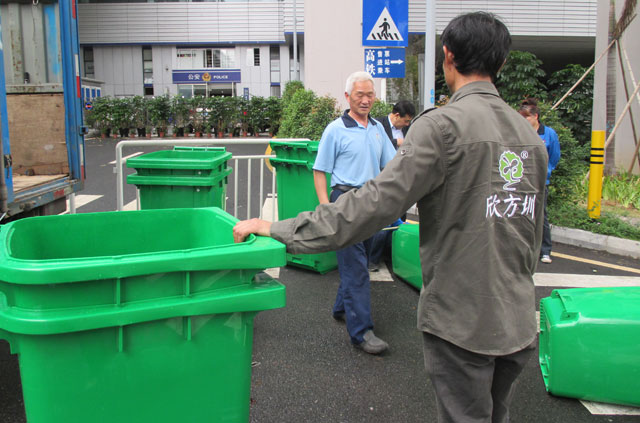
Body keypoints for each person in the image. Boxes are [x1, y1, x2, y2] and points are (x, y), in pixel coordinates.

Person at [234, 11, 548, 422]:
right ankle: (350, 315)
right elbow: (532, 228)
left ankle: (354, 320)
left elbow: (376, 202)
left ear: (447, 57)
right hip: (519, 321)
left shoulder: (441, 127)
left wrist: (278, 228)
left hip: (463, 322)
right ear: (501, 64)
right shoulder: (531, 137)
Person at [314, 70, 397, 354]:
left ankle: (341, 308)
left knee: (356, 263)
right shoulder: (335, 129)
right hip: (345, 200)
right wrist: (327, 205)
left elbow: (392, 164)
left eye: (370, 95)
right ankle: (361, 332)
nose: (365, 100)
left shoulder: (376, 128)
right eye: (359, 95)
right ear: (347, 97)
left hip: (371, 201)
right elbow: (320, 170)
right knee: (357, 268)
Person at [518, 98, 561, 264]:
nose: (524, 121)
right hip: (522, 180)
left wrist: (546, 172)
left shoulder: (549, 133)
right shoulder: (521, 132)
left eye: (526, 117)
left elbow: (554, 157)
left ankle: (545, 250)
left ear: (535, 116)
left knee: (540, 215)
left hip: (540, 182)